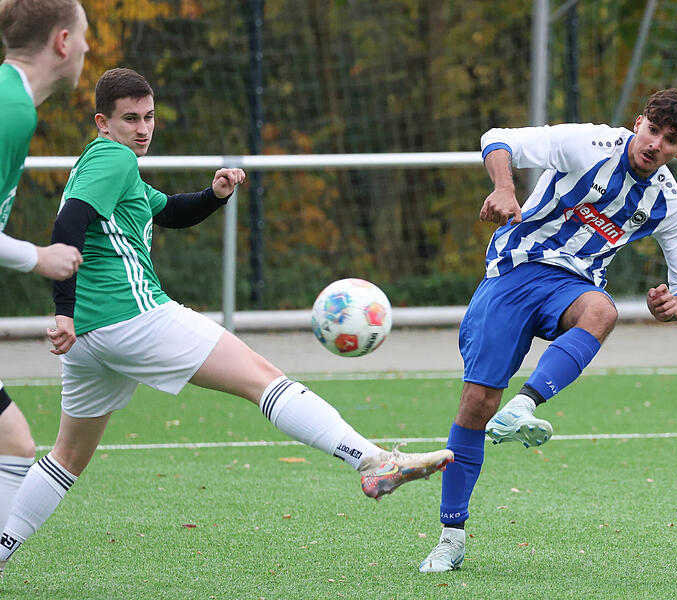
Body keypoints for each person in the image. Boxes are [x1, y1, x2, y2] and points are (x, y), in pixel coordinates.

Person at [0, 67, 453, 577]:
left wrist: (214, 195)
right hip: (131, 315)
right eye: (130, 119)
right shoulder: (114, 157)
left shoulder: (104, 165)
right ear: (103, 122)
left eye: (149, 117)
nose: (143, 129)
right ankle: (372, 461)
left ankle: (1, 549)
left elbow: (169, 211)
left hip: (90, 334)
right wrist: (60, 308)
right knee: (263, 379)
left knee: (66, 457)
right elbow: (68, 224)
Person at [419, 88, 677, 572]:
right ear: (639, 122)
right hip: (515, 270)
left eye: (670, 139)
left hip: (573, 285)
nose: (656, 143)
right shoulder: (589, 144)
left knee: (603, 312)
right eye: (653, 130)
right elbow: (497, 139)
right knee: (476, 404)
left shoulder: (668, 204)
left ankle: (523, 405)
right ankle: (451, 537)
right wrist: (505, 188)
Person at [0, 0, 88, 540]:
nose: (87, 48)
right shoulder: (11, 109)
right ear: (62, 41)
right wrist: (41, 257)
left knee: (11, 441)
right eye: (83, 36)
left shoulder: (12, 101)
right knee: (12, 442)